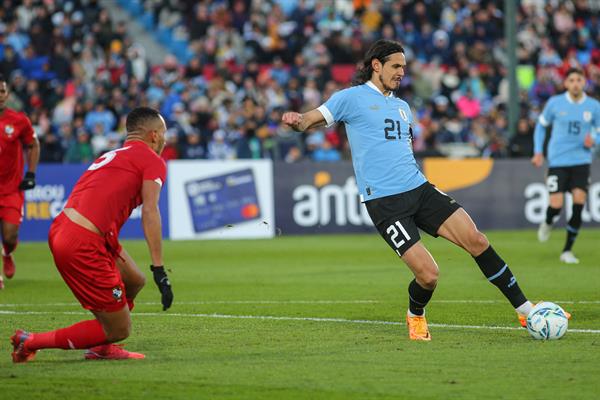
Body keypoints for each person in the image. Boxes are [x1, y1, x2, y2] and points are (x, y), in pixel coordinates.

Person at [282, 39, 567, 341]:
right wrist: (296, 121)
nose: (402, 72)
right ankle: (415, 315)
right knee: (429, 275)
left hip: (419, 189)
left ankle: (526, 310)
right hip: (384, 201)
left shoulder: (403, 107)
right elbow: (310, 120)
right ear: (376, 65)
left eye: (404, 67)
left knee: (477, 240)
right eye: (396, 66)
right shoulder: (350, 98)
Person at [10, 107, 174, 362]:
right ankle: (29, 341)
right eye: (164, 134)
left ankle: (102, 346)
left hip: (71, 229)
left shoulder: (112, 154)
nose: (165, 139)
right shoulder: (152, 161)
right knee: (119, 329)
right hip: (83, 242)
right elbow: (150, 212)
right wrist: (159, 269)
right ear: (153, 135)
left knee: (134, 280)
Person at [532, 67, 600, 264]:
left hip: (581, 161)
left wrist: (594, 139)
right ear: (566, 83)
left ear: (584, 83)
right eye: (572, 80)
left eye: (579, 79)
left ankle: (567, 250)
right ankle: (547, 221)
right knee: (556, 205)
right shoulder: (555, 103)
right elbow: (541, 126)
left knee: (579, 204)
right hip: (558, 161)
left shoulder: (594, 106)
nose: (576, 83)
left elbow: (598, 131)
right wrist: (538, 151)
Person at [0, 73, 40, 290]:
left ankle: (7, 253)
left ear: (7, 94)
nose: (0, 96)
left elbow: (33, 145)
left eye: (2, 91)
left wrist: (31, 174)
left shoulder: (18, 120)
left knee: (10, 233)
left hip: (11, 189)